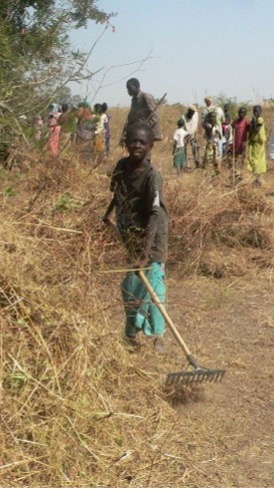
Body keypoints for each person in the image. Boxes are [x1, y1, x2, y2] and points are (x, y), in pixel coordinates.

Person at [106, 123, 168, 351]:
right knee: (131, 284)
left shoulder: (153, 176)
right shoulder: (121, 166)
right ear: (125, 143)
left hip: (153, 235)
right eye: (133, 141)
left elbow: (154, 214)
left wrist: (145, 251)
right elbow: (117, 193)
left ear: (151, 146)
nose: (137, 146)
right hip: (130, 231)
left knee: (153, 283)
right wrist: (107, 215)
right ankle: (131, 332)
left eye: (142, 142)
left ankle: (157, 334)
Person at [120, 78, 163, 146]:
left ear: (137, 86)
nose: (128, 91)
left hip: (147, 133)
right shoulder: (134, 100)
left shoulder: (146, 97)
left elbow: (155, 116)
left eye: (130, 88)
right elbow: (131, 118)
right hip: (138, 132)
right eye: (127, 89)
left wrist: (144, 128)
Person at [247, 105, 267, 187]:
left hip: (258, 142)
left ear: (260, 111)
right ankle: (258, 179)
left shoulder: (259, 120)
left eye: (257, 111)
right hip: (254, 142)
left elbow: (256, 130)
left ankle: (259, 179)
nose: (256, 112)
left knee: (255, 160)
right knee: (254, 159)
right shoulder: (254, 120)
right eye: (254, 110)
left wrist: (254, 121)